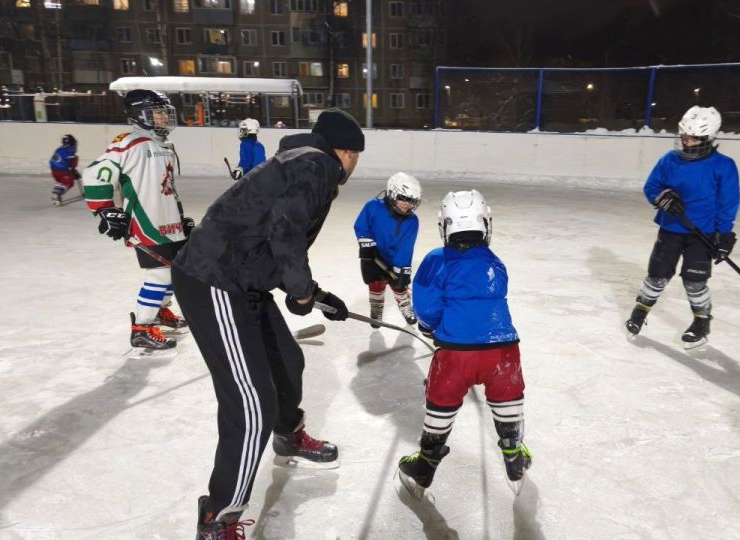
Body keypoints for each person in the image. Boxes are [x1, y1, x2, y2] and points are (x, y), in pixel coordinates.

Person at [170, 108, 364, 539]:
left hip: (242, 278)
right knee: (251, 404)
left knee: (286, 360)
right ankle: (218, 519)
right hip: (214, 280)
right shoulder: (318, 166)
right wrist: (299, 292)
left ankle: (288, 433)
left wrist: (314, 295)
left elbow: (265, 241)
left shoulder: (299, 162)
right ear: (347, 152)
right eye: (355, 156)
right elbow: (285, 235)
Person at [398, 189, 532, 499]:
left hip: (457, 355)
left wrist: (430, 327)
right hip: (503, 350)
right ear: (485, 223)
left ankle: (425, 465)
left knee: (441, 406)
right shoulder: (495, 262)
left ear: (445, 226)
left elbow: (428, 308)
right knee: (507, 400)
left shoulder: (436, 260)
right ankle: (514, 458)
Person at [82, 89, 193, 357]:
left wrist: (179, 218)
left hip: (168, 222)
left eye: (165, 112)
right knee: (160, 273)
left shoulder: (160, 145)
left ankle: (158, 312)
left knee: (173, 272)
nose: (164, 117)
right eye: (158, 112)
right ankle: (141, 329)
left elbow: (167, 188)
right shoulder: (129, 142)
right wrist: (104, 210)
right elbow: (97, 173)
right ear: (140, 114)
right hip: (146, 222)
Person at [624, 105, 740, 348]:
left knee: (694, 281)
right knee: (657, 275)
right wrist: (662, 197)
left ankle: (701, 321)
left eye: (693, 138)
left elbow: (728, 202)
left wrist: (724, 235)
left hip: (703, 234)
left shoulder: (723, 166)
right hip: (671, 229)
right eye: (684, 137)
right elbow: (651, 187)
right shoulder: (669, 160)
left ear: (708, 138)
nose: (686, 142)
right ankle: (640, 311)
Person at [353, 172, 422, 327]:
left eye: (411, 200)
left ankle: (405, 306)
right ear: (392, 193)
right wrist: (367, 245)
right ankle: (376, 309)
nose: (407, 204)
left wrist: (403, 270)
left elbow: (406, 248)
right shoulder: (372, 207)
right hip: (372, 256)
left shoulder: (412, 221)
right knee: (375, 284)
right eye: (403, 198)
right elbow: (361, 226)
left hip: (394, 260)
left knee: (400, 286)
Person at [49, 134, 79, 205]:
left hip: (54, 170)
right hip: (62, 170)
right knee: (69, 182)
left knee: (61, 181)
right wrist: (73, 171)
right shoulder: (70, 151)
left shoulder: (59, 149)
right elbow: (71, 163)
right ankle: (57, 194)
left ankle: (56, 195)